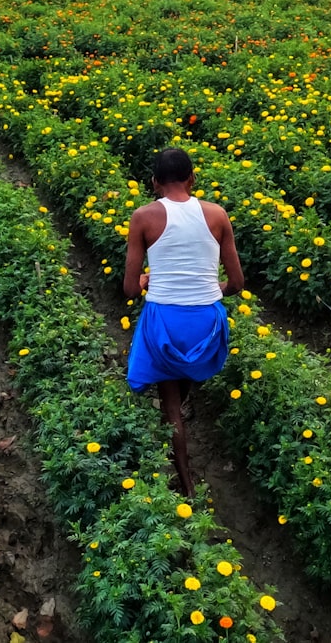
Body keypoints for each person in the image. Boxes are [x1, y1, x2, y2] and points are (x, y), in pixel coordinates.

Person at [124, 147, 244, 496]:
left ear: (154, 182)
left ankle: (187, 482)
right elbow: (236, 284)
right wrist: (213, 289)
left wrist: (146, 281)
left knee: (170, 403)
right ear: (192, 179)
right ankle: (184, 401)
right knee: (185, 379)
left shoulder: (143, 217)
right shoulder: (217, 214)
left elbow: (131, 288)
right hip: (206, 320)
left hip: (166, 319)